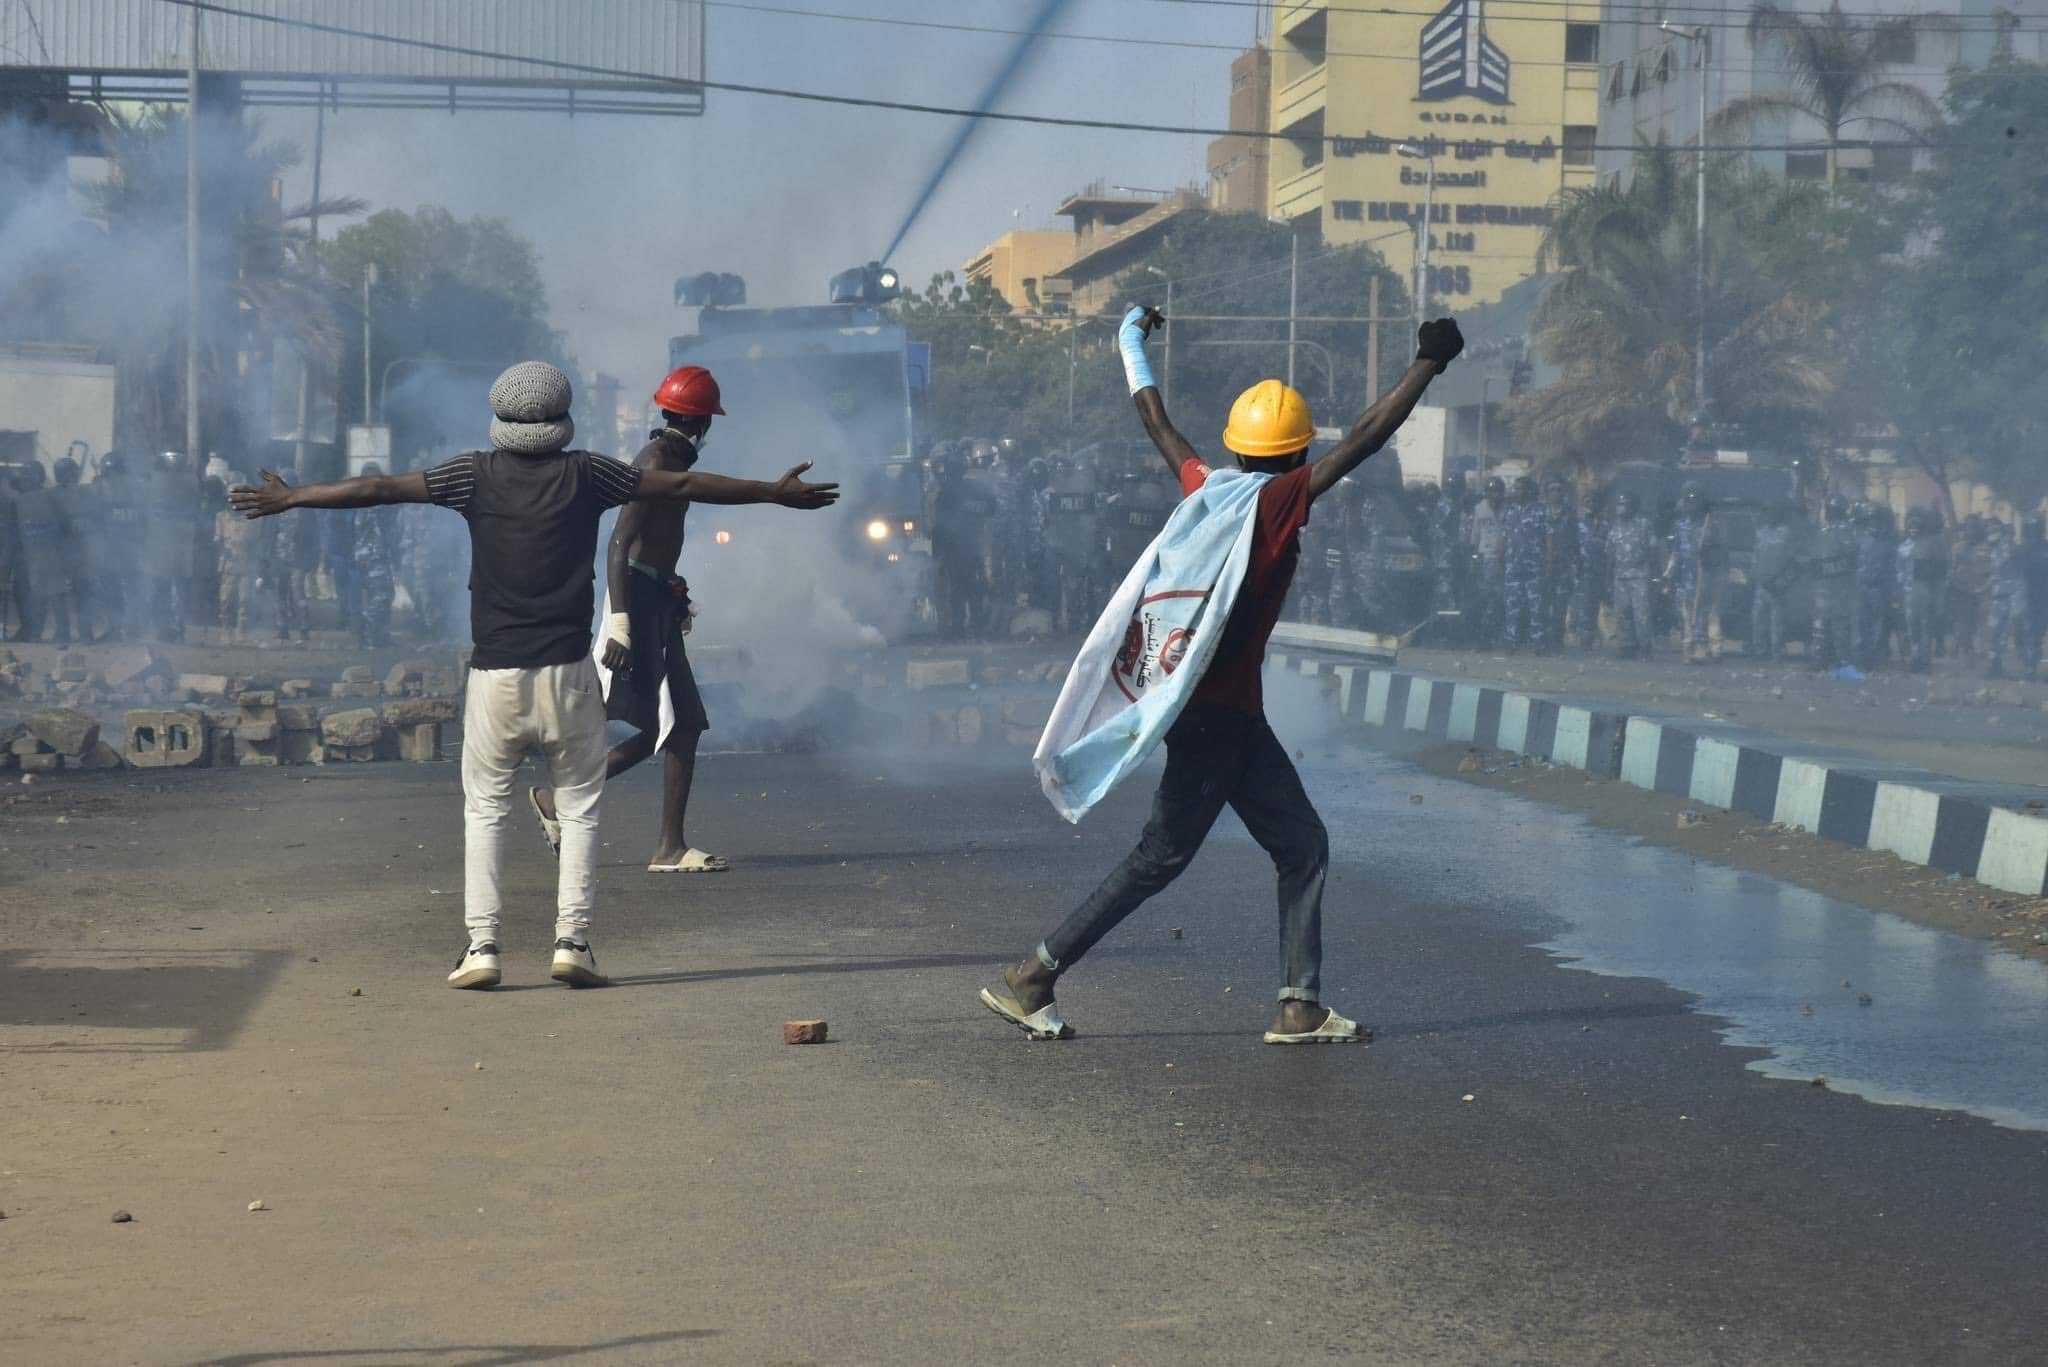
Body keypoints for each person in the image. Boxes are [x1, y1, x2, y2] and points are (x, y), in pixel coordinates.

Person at [229, 361, 839, 991]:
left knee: (485, 811)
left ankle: (482, 948)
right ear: (562, 419)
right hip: (568, 671)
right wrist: (770, 491)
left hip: (494, 675)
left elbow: (377, 490)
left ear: (500, 421)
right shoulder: (590, 473)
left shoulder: (472, 474)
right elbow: (683, 486)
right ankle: (573, 943)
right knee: (579, 809)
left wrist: (292, 496)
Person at [978, 307, 1463, 1046]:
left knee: (1301, 844)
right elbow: (1365, 439)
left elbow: (1157, 422)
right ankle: (1034, 973)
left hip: (1229, 715)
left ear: (1238, 445)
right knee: (1158, 858)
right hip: (1216, 719)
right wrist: (1427, 363)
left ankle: (1299, 1005)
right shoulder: (1273, 505)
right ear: (1298, 453)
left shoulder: (1207, 488)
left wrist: (1131, 340)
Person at [530, 365, 728, 875]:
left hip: (652, 597)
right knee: (675, 725)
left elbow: (656, 547)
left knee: (681, 726)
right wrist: (621, 620)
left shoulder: (670, 456)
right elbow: (619, 543)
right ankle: (572, 806)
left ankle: (661, 844)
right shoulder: (657, 459)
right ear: (704, 421)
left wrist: (675, 595)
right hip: (635, 600)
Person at [1606, 490, 1657, 658]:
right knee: (1622, 612)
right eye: (1620, 504)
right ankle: (1626, 646)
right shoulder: (1615, 526)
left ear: (1634, 506)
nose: (1622, 508)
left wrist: (1655, 573)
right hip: (1620, 576)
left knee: (1641, 613)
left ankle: (1645, 647)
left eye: (1626, 504)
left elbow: (1653, 549)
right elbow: (1610, 552)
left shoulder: (1644, 524)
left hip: (1639, 576)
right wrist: (1609, 575)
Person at [1897, 507, 1948, 674]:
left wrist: (1939, 599)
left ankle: (1924, 660)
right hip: (1908, 593)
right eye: (1910, 527)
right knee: (1912, 628)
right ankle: (1914, 657)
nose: (1913, 529)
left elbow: (1940, 576)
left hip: (1926, 592)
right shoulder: (1903, 546)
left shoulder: (1932, 546)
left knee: (1926, 627)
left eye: (1916, 527)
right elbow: (1899, 571)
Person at [1984, 519, 2035, 680]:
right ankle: (1995, 665)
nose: (1991, 534)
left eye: (1994, 530)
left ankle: (2028, 668)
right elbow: (1994, 575)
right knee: (1995, 633)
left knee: (2017, 632)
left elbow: (2020, 575)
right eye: (1989, 530)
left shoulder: (2012, 548)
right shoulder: (1992, 550)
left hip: (2013, 597)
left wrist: (2018, 602)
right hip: (1998, 598)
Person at [1811, 494, 1857, 669]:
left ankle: (1842, 660)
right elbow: (1814, 557)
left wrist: (1826, 569)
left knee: (1839, 626)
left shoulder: (1848, 532)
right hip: (1822, 588)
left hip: (1839, 588)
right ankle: (1820, 660)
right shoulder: (1823, 532)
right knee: (1820, 627)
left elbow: (1850, 562)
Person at [1749, 503, 1797, 662]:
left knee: (1777, 623)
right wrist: (1756, 576)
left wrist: (1782, 580)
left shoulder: (1786, 533)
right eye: (1767, 513)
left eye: (1772, 513)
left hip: (1778, 585)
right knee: (1758, 620)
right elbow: (1755, 557)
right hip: (1762, 585)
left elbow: (1790, 560)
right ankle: (1760, 652)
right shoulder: (1760, 532)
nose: (1769, 516)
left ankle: (1777, 653)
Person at [1502, 476, 1544, 651]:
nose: (1516, 491)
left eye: (1519, 488)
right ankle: (1511, 642)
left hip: (1533, 566)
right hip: (1513, 566)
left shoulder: (1540, 511)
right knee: (1512, 606)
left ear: (1528, 490)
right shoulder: (1510, 511)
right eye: (1515, 488)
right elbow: (1504, 536)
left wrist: (1548, 561)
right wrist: (1500, 556)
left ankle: (1537, 643)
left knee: (1536, 607)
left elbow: (1548, 537)